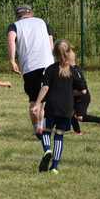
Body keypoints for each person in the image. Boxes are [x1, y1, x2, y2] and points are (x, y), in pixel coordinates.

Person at [31, 40, 85, 174]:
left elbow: (45, 88)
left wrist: (37, 104)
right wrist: (70, 93)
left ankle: (47, 150)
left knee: (46, 131)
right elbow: (83, 90)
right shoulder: (74, 71)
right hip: (67, 108)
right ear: (69, 53)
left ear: (54, 54)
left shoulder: (50, 69)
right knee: (60, 135)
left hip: (52, 106)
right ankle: (54, 167)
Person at [6, 5, 55, 137]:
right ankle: (42, 126)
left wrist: (12, 60)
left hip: (30, 67)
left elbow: (11, 40)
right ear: (31, 13)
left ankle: (36, 129)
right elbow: (51, 44)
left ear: (18, 15)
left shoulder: (14, 26)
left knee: (33, 99)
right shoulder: (43, 22)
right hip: (48, 64)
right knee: (44, 99)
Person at [69, 56, 100, 135]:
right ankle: (77, 132)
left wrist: (69, 93)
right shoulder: (72, 69)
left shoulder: (75, 72)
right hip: (76, 96)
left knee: (80, 117)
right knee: (70, 112)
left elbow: (83, 91)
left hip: (82, 97)